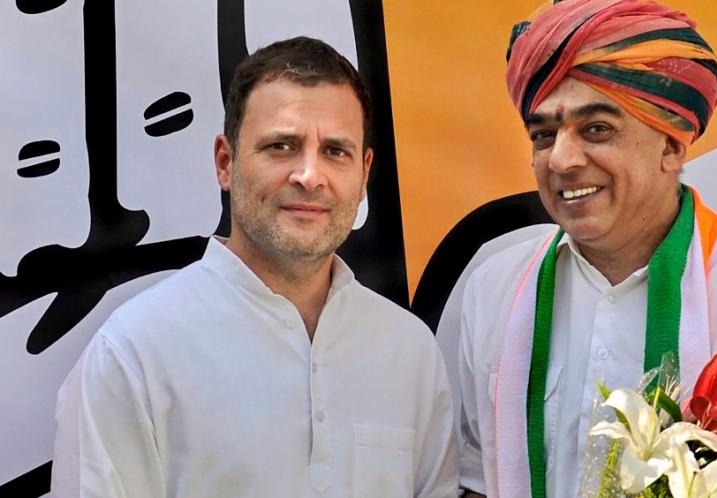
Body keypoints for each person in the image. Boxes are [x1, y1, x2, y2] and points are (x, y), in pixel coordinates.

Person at [453, 1, 717, 497]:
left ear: (671, 145)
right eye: (543, 135)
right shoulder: (492, 289)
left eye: (596, 129)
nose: (562, 160)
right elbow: (472, 480)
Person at [50, 36, 457, 498]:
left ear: (364, 174)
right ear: (226, 163)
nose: (310, 176)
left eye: (335, 151)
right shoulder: (133, 355)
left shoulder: (411, 353)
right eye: (282, 146)